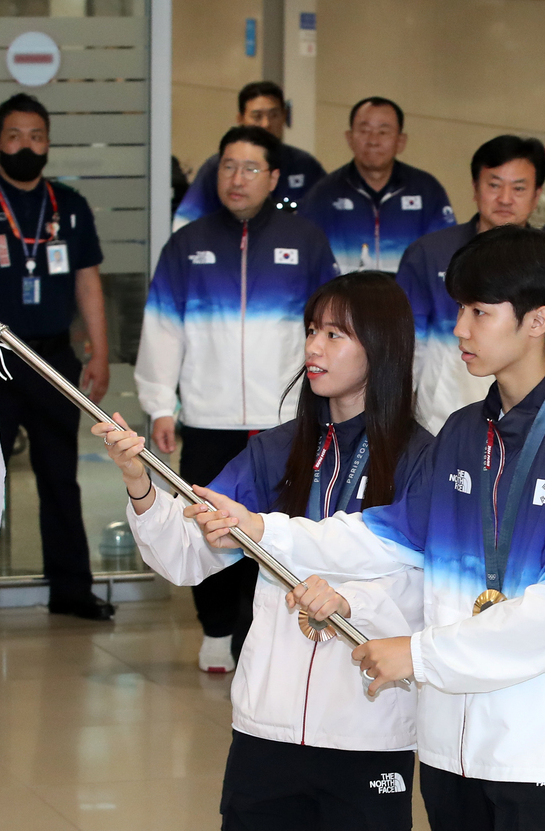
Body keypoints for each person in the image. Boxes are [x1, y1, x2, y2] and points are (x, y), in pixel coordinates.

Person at [193, 226, 545, 831]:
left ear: (537, 321)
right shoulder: (465, 433)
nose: (459, 328)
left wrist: (418, 654)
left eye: (478, 312)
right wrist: (261, 528)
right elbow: (378, 534)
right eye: (459, 309)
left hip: (540, 755)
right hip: (451, 755)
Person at [99, 272, 432, 831]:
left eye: (337, 333)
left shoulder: (423, 458)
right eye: (312, 330)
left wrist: (348, 600)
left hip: (368, 732)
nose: (316, 346)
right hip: (266, 732)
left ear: (383, 346)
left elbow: (421, 584)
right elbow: (188, 555)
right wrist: (141, 486)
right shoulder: (276, 452)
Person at [135, 125, 338, 673]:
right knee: (204, 522)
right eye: (227, 166)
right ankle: (215, 628)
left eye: (251, 168)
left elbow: (330, 330)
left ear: (273, 177)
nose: (237, 178)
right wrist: (159, 403)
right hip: (208, 414)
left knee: (271, 528)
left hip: (283, 420)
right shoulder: (187, 243)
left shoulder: (309, 242)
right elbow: (163, 328)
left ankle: (257, 632)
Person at [0, 93, 114, 620]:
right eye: (15, 136)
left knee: (60, 476)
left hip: (53, 359)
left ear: (48, 143)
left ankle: (72, 591)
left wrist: (99, 353)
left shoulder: (70, 207)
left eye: (36, 136)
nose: (26, 146)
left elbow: (88, 284)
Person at [398, 135, 545, 433]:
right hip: (438, 423)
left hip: (528, 426)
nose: (505, 198)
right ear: (475, 189)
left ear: (536, 194)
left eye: (518, 188)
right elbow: (404, 349)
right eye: (494, 185)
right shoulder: (429, 253)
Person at [298, 97, 454, 274]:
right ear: (349, 138)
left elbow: (444, 253)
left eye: (383, 131)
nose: (373, 140)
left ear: (400, 141)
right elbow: (306, 257)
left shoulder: (427, 190)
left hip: (408, 300)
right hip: (343, 299)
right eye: (364, 130)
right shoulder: (322, 194)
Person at [173, 81, 327, 231]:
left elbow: (328, 217)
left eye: (274, 115)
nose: (266, 124)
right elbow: (185, 223)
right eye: (257, 116)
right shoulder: (217, 166)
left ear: (284, 116)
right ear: (240, 119)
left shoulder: (305, 165)